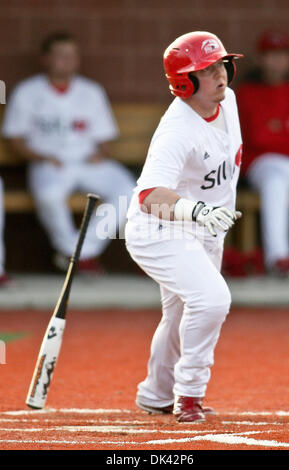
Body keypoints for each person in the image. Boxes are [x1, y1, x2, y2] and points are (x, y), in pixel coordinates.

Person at [125, 31, 243, 423]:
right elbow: (148, 196)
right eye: (207, 71)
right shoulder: (178, 129)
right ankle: (188, 396)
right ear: (184, 82)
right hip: (160, 230)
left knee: (178, 316)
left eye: (221, 65)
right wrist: (195, 212)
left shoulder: (228, 101)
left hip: (206, 227)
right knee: (211, 300)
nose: (220, 75)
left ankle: (154, 394)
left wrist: (206, 217)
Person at [2, 32, 135, 274]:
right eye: (60, 54)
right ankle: (79, 256)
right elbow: (14, 138)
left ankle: (80, 251)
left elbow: (106, 138)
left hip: (87, 161)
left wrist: (101, 154)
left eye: (72, 55)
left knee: (128, 191)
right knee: (49, 196)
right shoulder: (27, 91)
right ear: (46, 59)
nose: (67, 60)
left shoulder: (91, 91)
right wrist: (39, 156)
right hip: (49, 162)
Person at [236, 30, 289, 277]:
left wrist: (278, 131)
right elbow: (259, 138)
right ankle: (279, 258)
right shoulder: (247, 92)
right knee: (276, 182)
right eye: (271, 55)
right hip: (263, 163)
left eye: (282, 55)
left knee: (281, 177)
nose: (277, 61)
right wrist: (287, 132)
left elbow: (274, 134)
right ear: (260, 60)